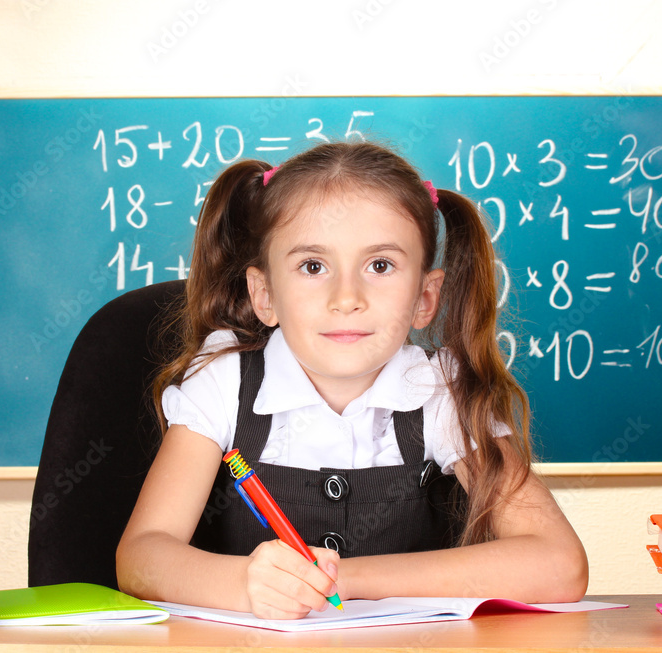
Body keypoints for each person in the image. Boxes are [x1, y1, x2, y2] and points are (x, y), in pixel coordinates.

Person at [116, 141, 588, 619]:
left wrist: (341, 579)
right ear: (264, 295)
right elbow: (140, 557)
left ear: (425, 297)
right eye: (313, 266)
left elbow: (559, 564)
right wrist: (244, 583)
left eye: (380, 266)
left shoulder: (441, 391)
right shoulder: (223, 382)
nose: (347, 298)